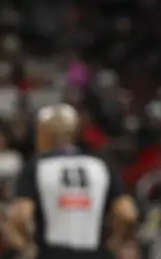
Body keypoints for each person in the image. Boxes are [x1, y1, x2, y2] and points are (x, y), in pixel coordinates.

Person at [2, 104, 138, 259]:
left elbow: (21, 215)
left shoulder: (37, 166)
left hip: (51, 253)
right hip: (95, 253)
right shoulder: (101, 164)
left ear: (42, 134)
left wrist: (26, 245)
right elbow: (127, 213)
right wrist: (116, 242)